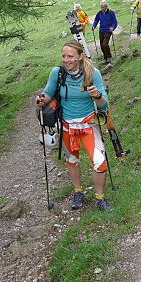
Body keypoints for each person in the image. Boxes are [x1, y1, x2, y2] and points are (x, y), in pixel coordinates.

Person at [37, 40, 114, 212]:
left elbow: (104, 105)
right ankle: (78, 191)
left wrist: (97, 95)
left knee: (100, 162)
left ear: (80, 56)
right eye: (63, 56)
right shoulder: (57, 73)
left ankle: (100, 198)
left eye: (70, 56)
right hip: (66, 127)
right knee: (71, 160)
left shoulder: (92, 73)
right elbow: (47, 95)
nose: (66, 60)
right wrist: (41, 100)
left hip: (88, 125)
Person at [92, 0, 118, 64]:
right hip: (101, 30)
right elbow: (96, 20)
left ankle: (109, 57)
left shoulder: (111, 12)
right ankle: (105, 58)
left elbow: (115, 22)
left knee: (105, 44)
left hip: (108, 30)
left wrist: (113, 28)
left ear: (106, 6)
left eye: (103, 7)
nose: (102, 9)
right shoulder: (99, 13)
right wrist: (93, 26)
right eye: (101, 7)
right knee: (101, 45)